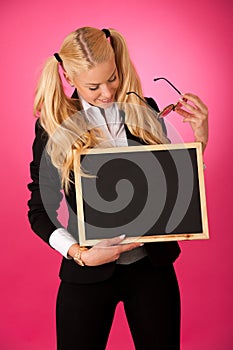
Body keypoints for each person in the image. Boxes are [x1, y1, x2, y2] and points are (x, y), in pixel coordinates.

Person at [27, 26, 208, 350]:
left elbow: (171, 188)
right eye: (93, 86)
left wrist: (199, 143)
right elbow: (39, 210)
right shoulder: (52, 127)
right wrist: (81, 254)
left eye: (112, 78)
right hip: (87, 274)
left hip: (151, 268)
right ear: (68, 77)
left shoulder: (145, 108)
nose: (107, 92)